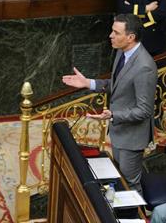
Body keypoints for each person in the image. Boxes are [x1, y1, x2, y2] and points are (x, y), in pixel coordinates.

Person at [62, 13, 157, 195]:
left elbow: (144, 110)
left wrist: (113, 115)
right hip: (119, 130)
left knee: (130, 185)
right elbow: (118, 85)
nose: (110, 36)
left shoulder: (144, 66)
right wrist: (89, 83)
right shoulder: (122, 52)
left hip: (132, 138)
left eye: (116, 32)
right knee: (120, 178)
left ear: (130, 37)